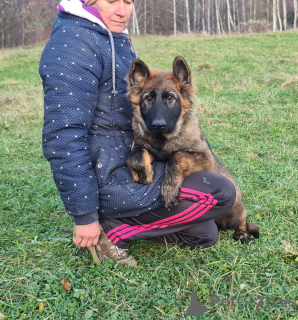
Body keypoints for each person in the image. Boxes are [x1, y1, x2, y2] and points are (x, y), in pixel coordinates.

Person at [39, 0, 236, 267]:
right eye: (112, 1)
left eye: (129, 1)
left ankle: (129, 222)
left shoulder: (111, 35)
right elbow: (63, 136)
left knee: (205, 234)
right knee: (221, 192)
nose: (123, 11)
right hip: (112, 179)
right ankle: (114, 229)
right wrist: (85, 216)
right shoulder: (74, 44)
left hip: (135, 166)